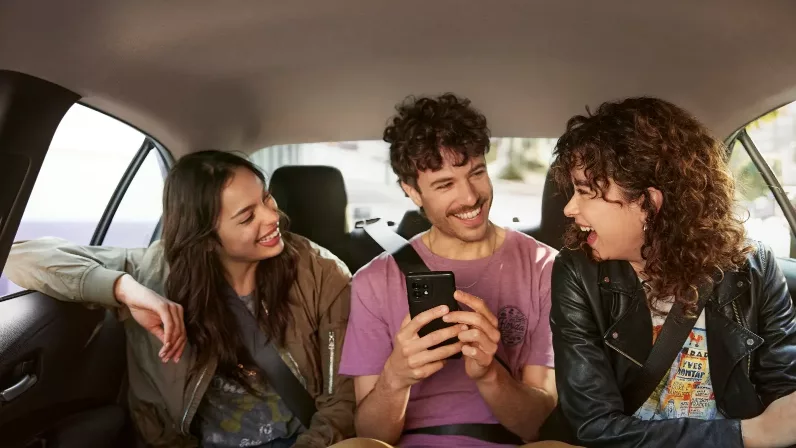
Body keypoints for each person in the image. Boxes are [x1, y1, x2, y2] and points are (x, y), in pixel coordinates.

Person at [5, 150, 355, 448]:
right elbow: (16, 256)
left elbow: (342, 398)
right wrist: (125, 289)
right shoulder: (152, 271)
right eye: (248, 216)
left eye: (266, 198)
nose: (272, 216)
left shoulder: (321, 273)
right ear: (206, 238)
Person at [546, 97, 796, 447]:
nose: (570, 208)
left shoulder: (755, 267)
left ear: (649, 203)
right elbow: (593, 426)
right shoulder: (577, 272)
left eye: (585, 192)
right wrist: (749, 435)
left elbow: (785, 392)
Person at [338, 93, 559, 447]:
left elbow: (539, 427)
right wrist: (396, 377)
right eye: (445, 184)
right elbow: (371, 437)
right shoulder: (373, 282)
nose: (470, 197)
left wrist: (489, 374)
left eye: (477, 173)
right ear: (412, 191)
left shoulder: (544, 267)